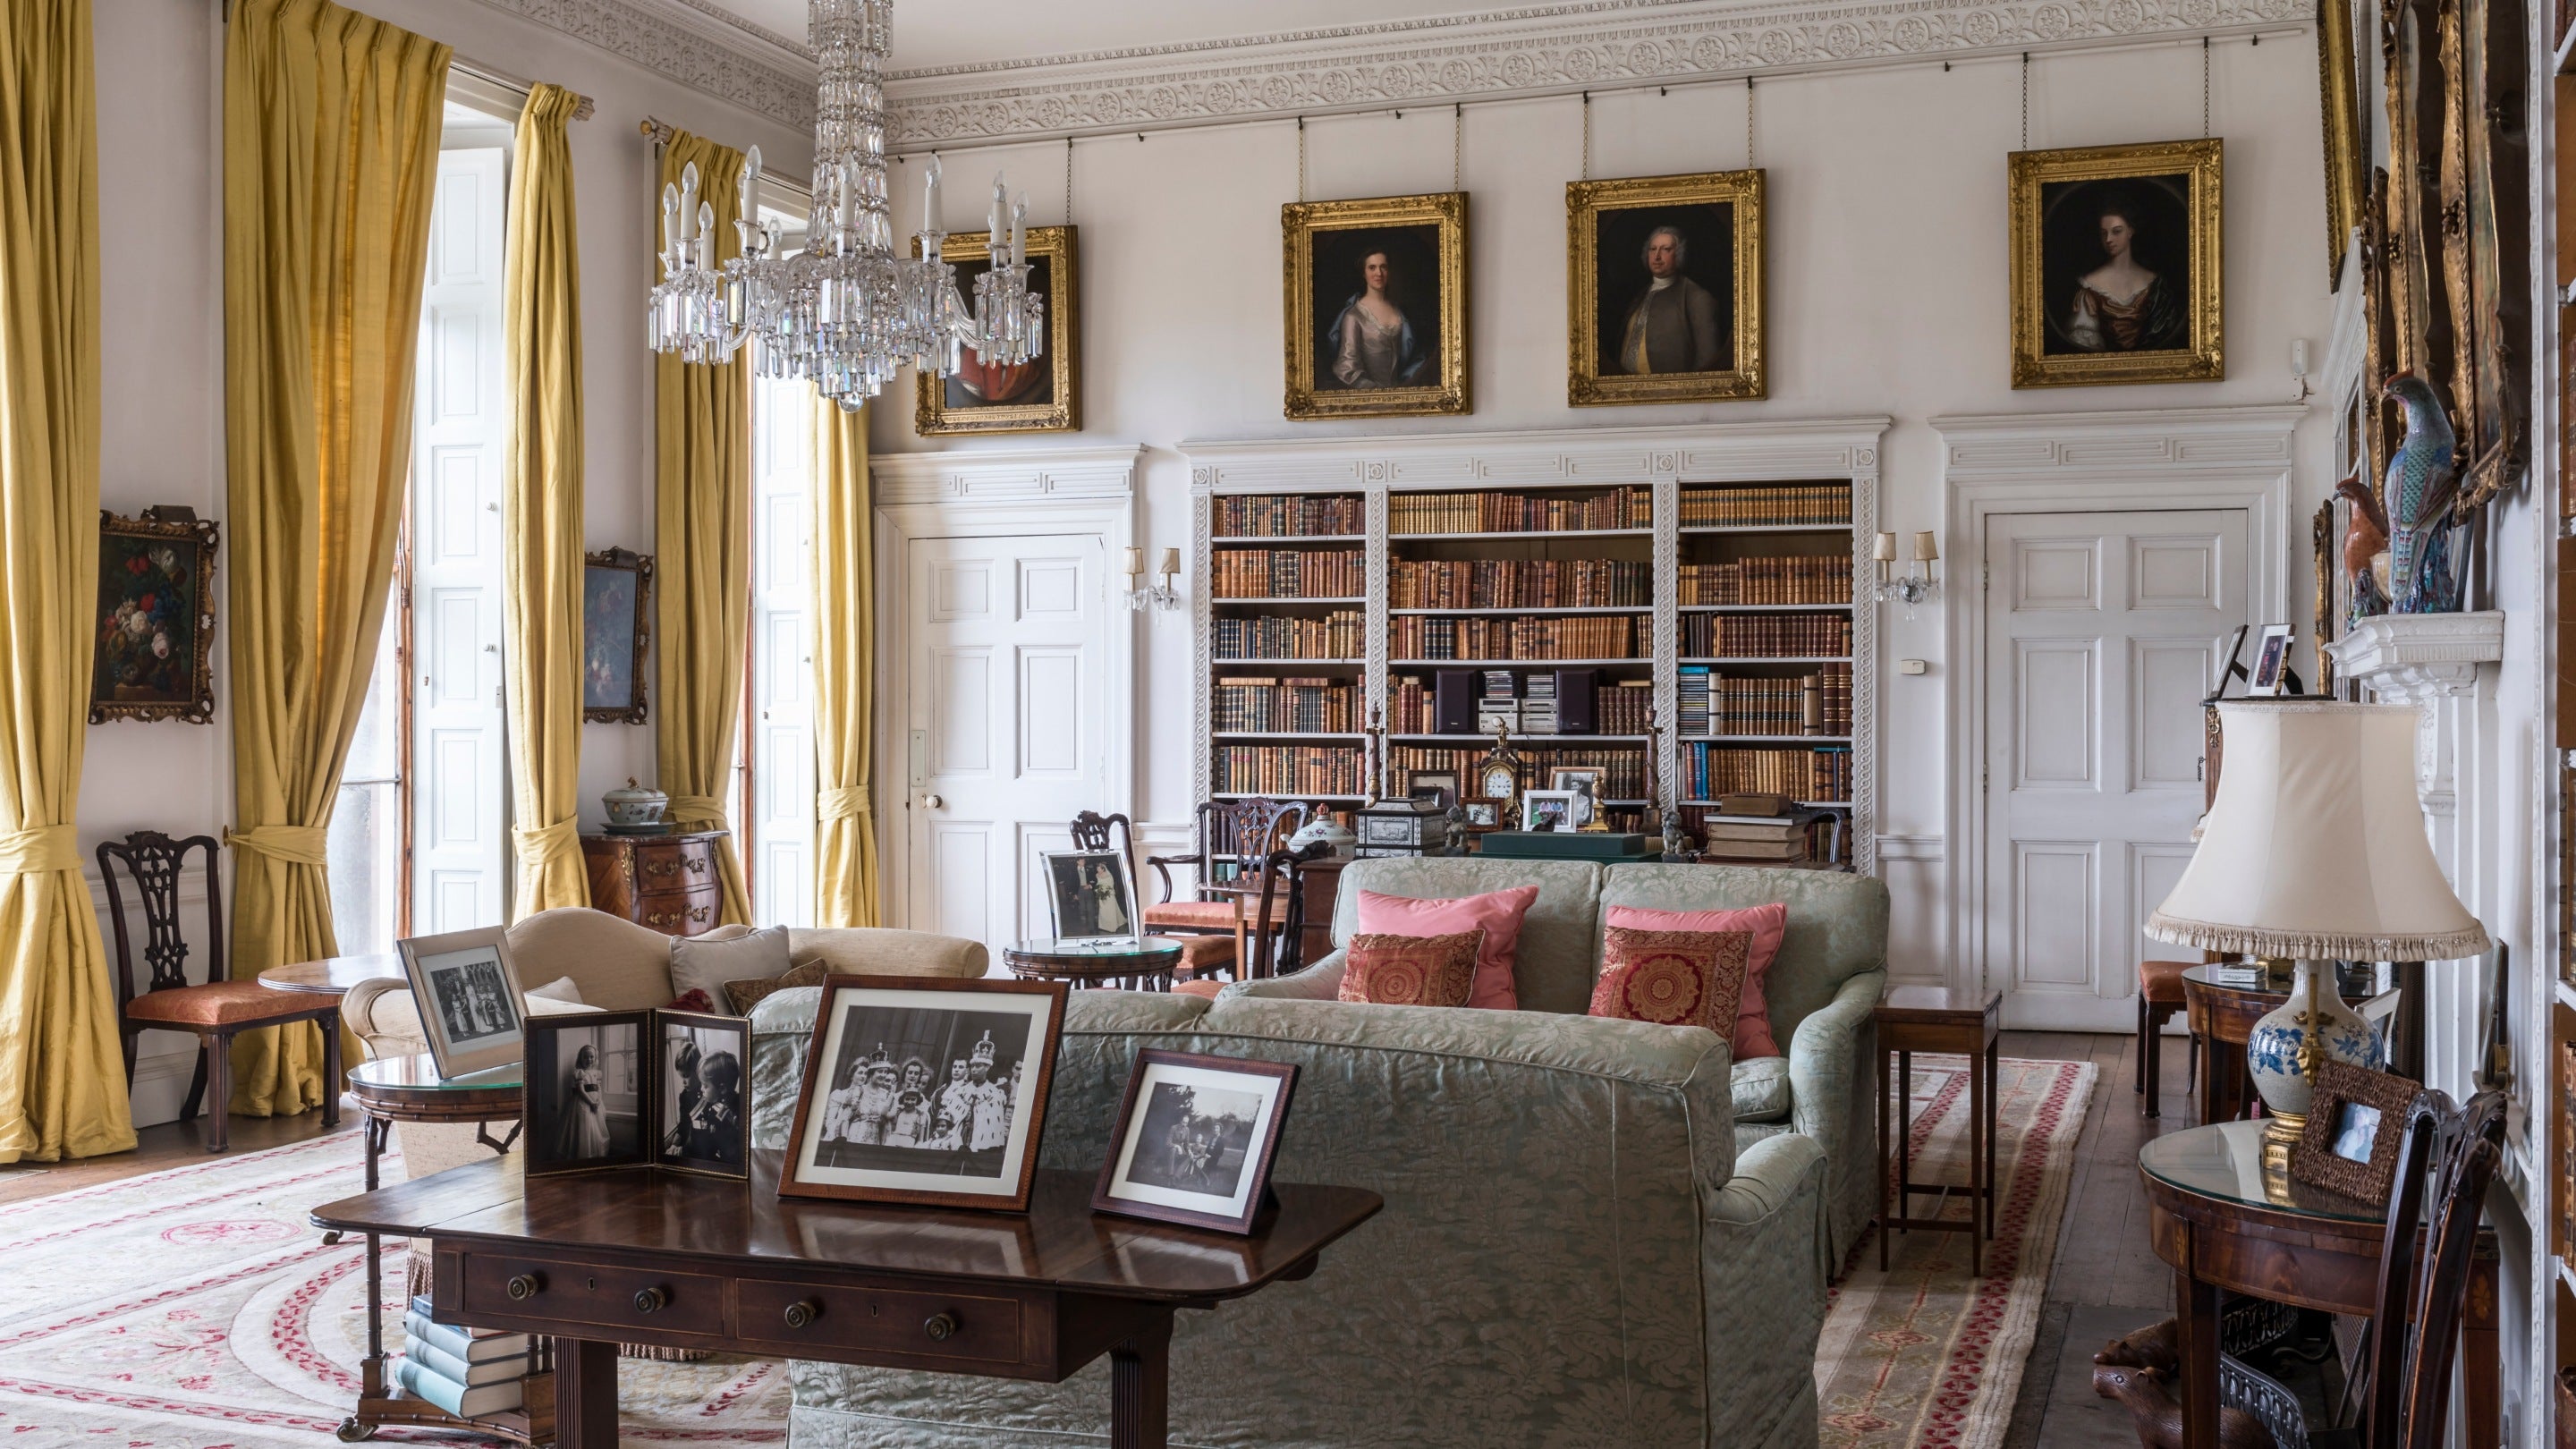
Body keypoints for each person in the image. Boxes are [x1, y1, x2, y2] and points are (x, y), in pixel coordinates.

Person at [2063, 198, 2184, 352]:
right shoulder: (2090, 287)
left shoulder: (2155, 284)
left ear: (2131, 231)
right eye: (2103, 233)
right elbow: (2085, 345)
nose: (2108, 239)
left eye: (2116, 231)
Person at [1614, 225, 1723, 375]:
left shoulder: (1697, 297)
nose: (1657, 256)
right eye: (1653, 249)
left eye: (1666, 249)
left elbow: (1707, 360)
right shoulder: (1641, 295)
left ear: (1679, 254)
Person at [1323, 250, 1428, 389]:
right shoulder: (1353, 317)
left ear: (1389, 271)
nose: (1379, 273)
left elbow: (1413, 358)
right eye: (1372, 267)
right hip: (1371, 397)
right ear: (1363, 273)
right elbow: (1347, 369)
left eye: (1383, 267)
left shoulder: (1399, 312)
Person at [687, 1051, 744, 1164]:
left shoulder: (727, 1115)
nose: (701, 1089)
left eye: (705, 1086)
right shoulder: (714, 1102)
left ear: (722, 1089)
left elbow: (730, 1153)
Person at [557, 1043, 606, 1159]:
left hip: (595, 1103)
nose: (589, 1060)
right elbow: (581, 1091)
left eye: (591, 1057)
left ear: (595, 1058)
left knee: (596, 1129)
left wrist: (598, 1100)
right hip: (583, 1103)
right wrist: (591, 1103)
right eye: (585, 1057)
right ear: (581, 1058)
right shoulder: (579, 1073)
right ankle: (583, 1154)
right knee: (584, 1127)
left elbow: (599, 1088)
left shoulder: (597, 1073)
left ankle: (594, 1154)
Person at [965, 1034, 1013, 1153]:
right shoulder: (962, 1090)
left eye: (978, 1066)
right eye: (972, 1066)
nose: (974, 1069)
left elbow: (993, 1126)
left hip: (980, 1148)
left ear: (987, 1067)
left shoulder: (995, 1094)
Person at [886, 1060, 932, 1148]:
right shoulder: (895, 1097)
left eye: (916, 1073)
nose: (913, 1076)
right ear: (904, 1074)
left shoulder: (924, 1102)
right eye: (910, 1072)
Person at [929, 1058, 973, 1149]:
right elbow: (932, 1115)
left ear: (967, 1071)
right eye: (954, 1067)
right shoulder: (941, 1091)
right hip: (937, 1135)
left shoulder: (970, 1092)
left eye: (961, 1067)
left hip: (957, 1134)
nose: (956, 1069)